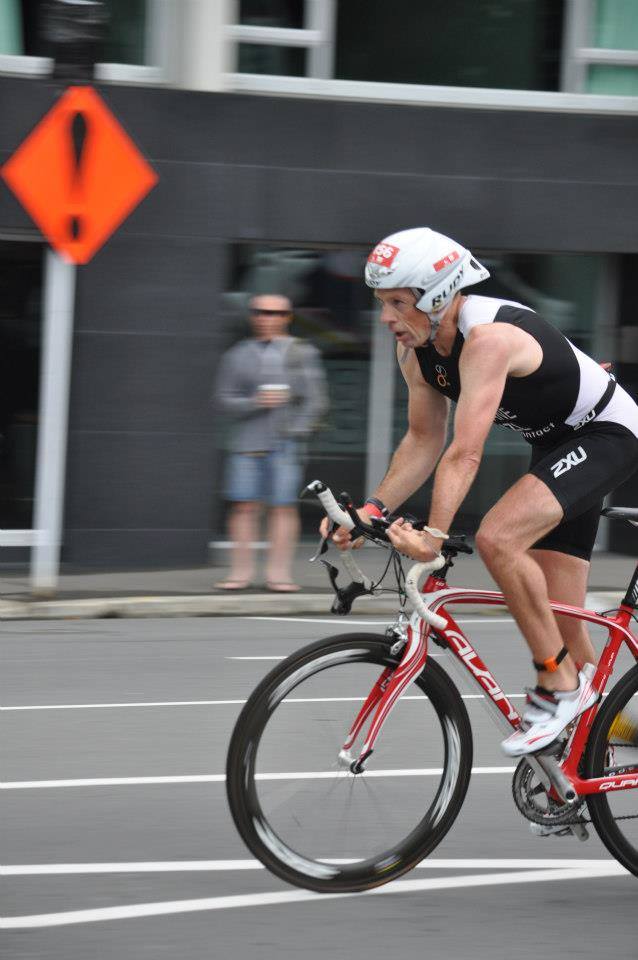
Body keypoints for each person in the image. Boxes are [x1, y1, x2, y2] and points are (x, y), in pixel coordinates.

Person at [322, 226, 638, 757]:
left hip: (608, 434)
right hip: (555, 446)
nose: (385, 318)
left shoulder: (487, 338)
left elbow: (465, 453)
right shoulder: (417, 354)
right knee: (559, 612)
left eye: (398, 302)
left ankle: (556, 685)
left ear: (438, 294)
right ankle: (602, 739)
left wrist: (436, 536)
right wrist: (371, 510)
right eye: (382, 303)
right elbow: (424, 440)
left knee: (497, 539)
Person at [215, 293, 327, 592]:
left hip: (285, 444)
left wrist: (296, 430)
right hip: (246, 444)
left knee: (283, 507)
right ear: (253, 316)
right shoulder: (237, 354)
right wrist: (254, 402)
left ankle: (278, 574)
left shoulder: (302, 352)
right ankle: (240, 573)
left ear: (287, 317)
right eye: (261, 312)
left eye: (276, 313)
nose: (268, 318)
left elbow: (315, 401)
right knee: (244, 507)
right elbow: (224, 400)